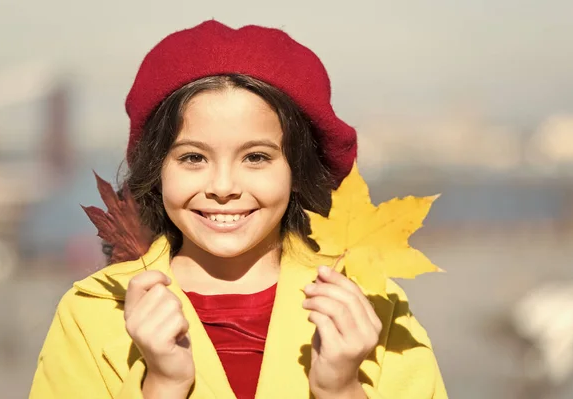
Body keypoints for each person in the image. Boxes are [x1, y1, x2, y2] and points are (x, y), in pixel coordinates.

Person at [29, 20, 447, 399]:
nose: (223, 188)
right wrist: (162, 385)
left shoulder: (370, 308)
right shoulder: (93, 312)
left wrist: (341, 389)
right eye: (193, 158)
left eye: (257, 158)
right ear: (156, 170)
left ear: (297, 169)